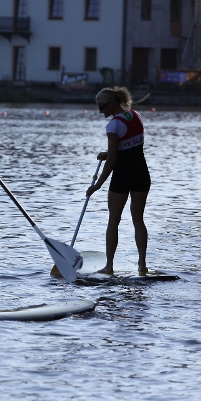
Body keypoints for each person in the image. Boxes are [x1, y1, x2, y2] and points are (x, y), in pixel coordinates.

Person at [86, 86, 151, 274]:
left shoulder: (113, 125)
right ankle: (142, 265)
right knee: (138, 220)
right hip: (141, 173)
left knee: (113, 220)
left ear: (111, 105)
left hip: (123, 175)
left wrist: (97, 185)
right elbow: (130, 148)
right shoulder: (136, 116)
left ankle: (109, 266)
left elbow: (114, 159)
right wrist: (108, 153)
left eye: (101, 107)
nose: (100, 112)